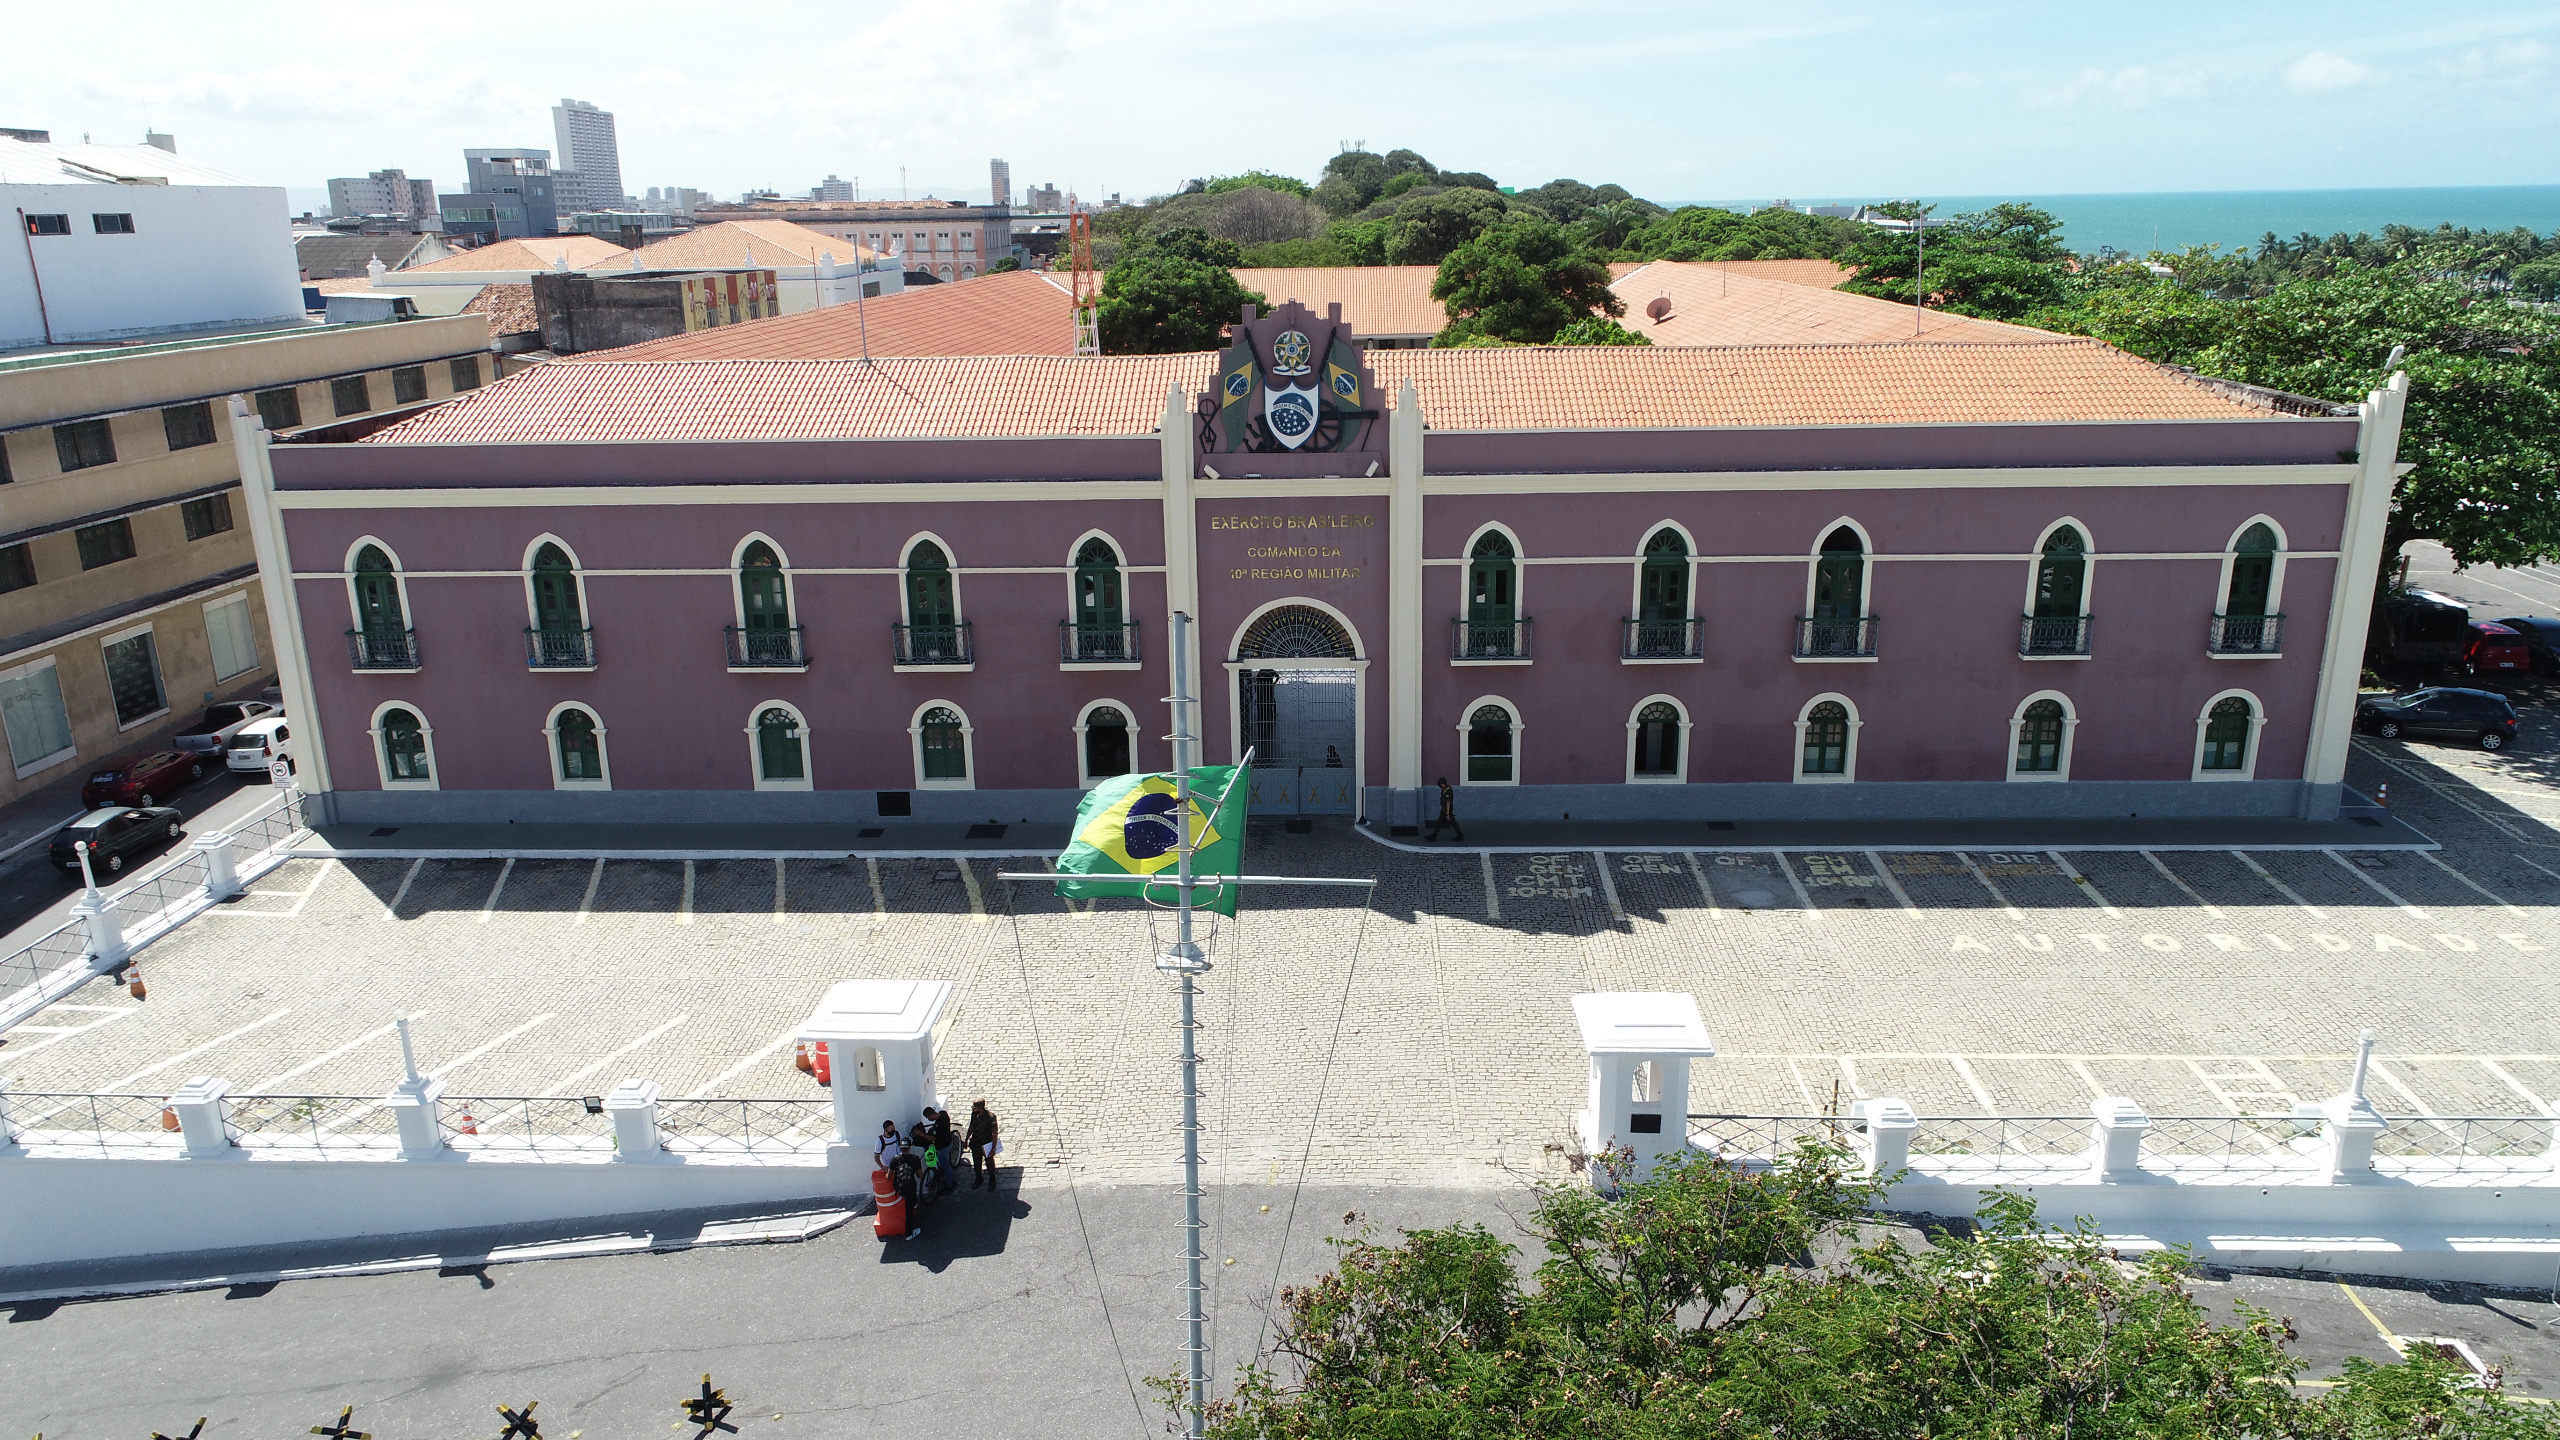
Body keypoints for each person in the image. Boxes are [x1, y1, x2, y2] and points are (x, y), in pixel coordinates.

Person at [967, 1100, 1000, 1190]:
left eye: (975, 1107)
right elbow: (971, 1127)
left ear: (980, 1107)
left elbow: (994, 1133)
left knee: (989, 1163)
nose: (973, 1108)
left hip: (986, 1144)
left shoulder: (991, 1117)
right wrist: (966, 1139)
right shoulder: (974, 1115)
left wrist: (994, 1148)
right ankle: (979, 1178)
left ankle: (992, 1180)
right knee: (976, 1163)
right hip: (976, 1143)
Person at [929, 1107, 959, 1195]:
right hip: (949, 1142)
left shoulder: (939, 1126)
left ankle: (949, 1185)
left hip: (943, 1147)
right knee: (945, 1164)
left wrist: (921, 1134)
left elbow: (932, 1138)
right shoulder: (943, 1113)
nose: (929, 1119)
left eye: (928, 1117)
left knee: (946, 1167)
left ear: (930, 1115)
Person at [1425, 776, 1464, 843]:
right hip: (1445, 810)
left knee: (1441, 823)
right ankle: (1459, 835)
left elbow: (1448, 802)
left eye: (1440, 784)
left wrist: (1447, 814)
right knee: (1449, 823)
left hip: (1446, 810)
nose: (1439, 786)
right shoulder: (1444, 789)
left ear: (1442, 783)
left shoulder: (1448, 791)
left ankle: (1433, 836)